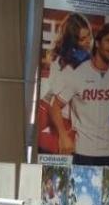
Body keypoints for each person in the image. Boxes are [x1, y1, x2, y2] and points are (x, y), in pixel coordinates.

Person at [51, 23, 109, 166]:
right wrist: (63, 136)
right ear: (97, 43)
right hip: (83, 151)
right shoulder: (78, 74)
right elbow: (55, 107)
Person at [39, 12, 92, 153]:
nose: (88, 41)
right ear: (73, 41)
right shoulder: (64, 62)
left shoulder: (87, 59)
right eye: (83, 39)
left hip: (68, 117)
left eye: (89, 36)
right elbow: (54, 97)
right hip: (57, 115)